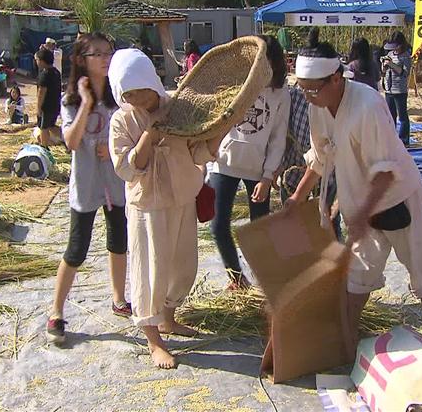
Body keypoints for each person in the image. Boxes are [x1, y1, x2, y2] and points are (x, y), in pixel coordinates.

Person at [284, 28, 422, 348]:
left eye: (313, 89)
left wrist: (357, 216)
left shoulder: (367, 106)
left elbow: (385, 173)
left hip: (400, 199)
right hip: (361, 204)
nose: (307, 97)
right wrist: (297, 196)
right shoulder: (317, 107)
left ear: (336, 79)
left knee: (421, 269)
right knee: (357, 276)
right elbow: (320, 156)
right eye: (302, 89)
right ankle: (346, 338)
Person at [108, 48, 226, 369]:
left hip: (183, 198)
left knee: (182, 264)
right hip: (149, 208)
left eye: (140, 92)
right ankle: (153, 340)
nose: (135, 99)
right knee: (151, 270)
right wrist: (152, 131)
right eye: (128, 94)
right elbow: (130, 167)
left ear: (152, 82)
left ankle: (168, 319)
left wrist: (222, 128)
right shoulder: (122, 120)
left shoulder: (179, 106)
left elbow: (198, 151)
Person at [46, 33, 131, 345]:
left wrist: (112, 148)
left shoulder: (118, 96)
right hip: (85, 185)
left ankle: (119, 299)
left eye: (109, 52)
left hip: (116, 182)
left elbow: (130, 130)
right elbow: (70, 141)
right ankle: (56, 311)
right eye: (99, 54)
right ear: (82, 60)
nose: (107, 59)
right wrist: (85, 102)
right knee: (77, 248)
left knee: (119, 240)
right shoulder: (70, 100)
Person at [209, 36, 291, 289]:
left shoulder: (280, 92)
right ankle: (237, 278)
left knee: (259, 229)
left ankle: (267, 280)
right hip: (223, 163)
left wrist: (268, 176)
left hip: (258, 170)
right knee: (217, 224)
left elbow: (278, 137)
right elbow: (216, 121)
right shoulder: (234, 84)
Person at [275, 81, 343, 242]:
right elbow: (283, 133)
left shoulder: (337, 101)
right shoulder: (292, 96)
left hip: (328, 173)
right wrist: (277, 166)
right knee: (293, 222)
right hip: (294, 167)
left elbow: (323, 157)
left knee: (329, 221)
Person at [380, 31, 413, 145]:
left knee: (402, 116)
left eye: (396, 46)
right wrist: (384, 67)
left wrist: (392, 65)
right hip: (389, 88)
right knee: (390, 115)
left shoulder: (406, 56)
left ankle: (404, 140)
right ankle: (391, 138)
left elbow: (404, 73)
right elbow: (383, 72)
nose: (394, 49)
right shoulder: (390, 54)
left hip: (400, 90)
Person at [35, 48, 62, 148]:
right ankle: (65, 138)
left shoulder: (44, 74)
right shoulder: (56, 72)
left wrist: (38, 108)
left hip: (46, 107)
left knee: (44, 127)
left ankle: (44, 147)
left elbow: (41, 92)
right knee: (51, 126)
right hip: (55, 105)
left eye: (37, 60)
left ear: (41, 61)